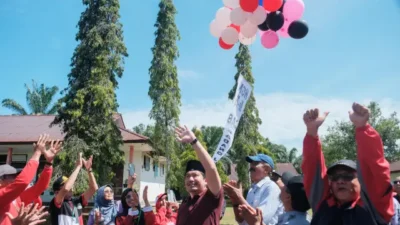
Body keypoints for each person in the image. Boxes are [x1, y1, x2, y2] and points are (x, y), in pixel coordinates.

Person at [302, 103, 394, 225]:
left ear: (361, 180)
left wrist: (362, 128)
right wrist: (311, 132)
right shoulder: (322, 204)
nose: (340, 181)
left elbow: (375, 168)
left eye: (347, 176)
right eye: (335, 178)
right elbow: (312, 168)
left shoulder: (374, 207)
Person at [0, 135, 61, 225]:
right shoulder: (2, 195)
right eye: (10, 176)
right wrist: (37, 153)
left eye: (15, 176)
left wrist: (48, 163)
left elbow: (40, 187)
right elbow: (22, 182)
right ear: (1, 179)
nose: (14, 179)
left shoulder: (17, 197)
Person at [174, 125, 224, 225]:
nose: (191, 179)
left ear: (206, 180)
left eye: (195, 175)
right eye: (187, 176)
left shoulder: (212, 198)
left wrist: (194, 141)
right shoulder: (184, 205)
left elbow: (211, 169)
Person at [224, 154, 283, 225]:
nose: (251, 167)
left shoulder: (272, 188)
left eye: (255, 163)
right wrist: (234, 199)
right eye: (251, 164)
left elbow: (260, 220)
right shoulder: (252, 190)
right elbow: (240, 220)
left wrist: (239, 196)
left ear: (266, 169)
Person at [49, 153, 98, 225]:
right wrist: (78, 167)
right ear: (57, 192)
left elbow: (94, 188)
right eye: (65, 184)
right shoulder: (56, 203)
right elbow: (66, 188)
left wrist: (89, 170)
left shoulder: (77, 201)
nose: (71, 185)